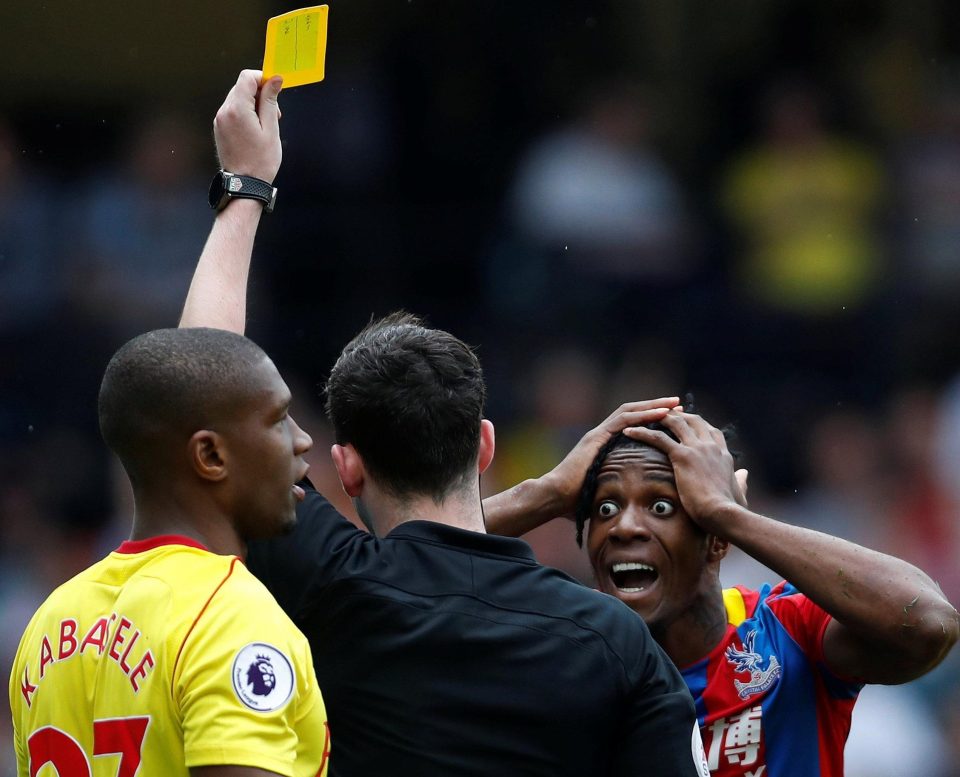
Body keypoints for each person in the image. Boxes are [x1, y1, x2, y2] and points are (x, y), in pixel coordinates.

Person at [180, 69, 708, 776]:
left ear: (348, 466)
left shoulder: (336, 586)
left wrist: (246, 184)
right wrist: (547, 493)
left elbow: (197, 387)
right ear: (485, 445)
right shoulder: (613, 638)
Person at [491, 409, 960, 775]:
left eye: (660, 505)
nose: (625, 526)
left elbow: (928, 623)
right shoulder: (562, 667)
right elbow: (414, 569)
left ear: (716, 539)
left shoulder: (785, 632)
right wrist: (546, 494)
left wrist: (731, 515)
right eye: (606, 506)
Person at [8, 325, 330, 777]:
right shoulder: (229, 614)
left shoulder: (48, 623)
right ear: (211, 456)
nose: (302, 440)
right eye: (278, 419)